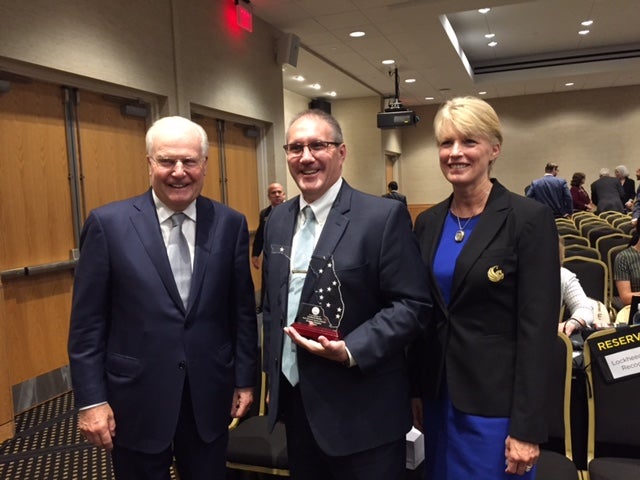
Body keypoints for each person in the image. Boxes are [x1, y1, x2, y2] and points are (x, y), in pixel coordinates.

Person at [67, 116, 258, 480]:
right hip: (135, 398)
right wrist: (91, 400)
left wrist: (245, 379)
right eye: (167, 161)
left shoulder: (230, 223)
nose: (179, 172)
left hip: (209, 393)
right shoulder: (109, 225)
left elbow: (242, 312)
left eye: (189, 161)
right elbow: (87, 325)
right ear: (150, 163)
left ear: (204, 165)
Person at [262, 109, 432, 479]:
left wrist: (353, 349)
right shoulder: (277, 220)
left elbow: (413, 305)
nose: (305, 157)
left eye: (317, 146)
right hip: (296, 405)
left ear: (341, 152)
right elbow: (273, 304)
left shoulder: (381, 218)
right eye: (295, 148)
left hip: (362, 412)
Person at [409, 96, 559, 479]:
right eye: (446, 143)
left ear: (494, 149)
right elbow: (422, 316)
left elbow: (537, 331)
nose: (455, 153)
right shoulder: (427, 222)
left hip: (496, 407)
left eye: (468, 142)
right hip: (437, 399)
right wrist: (415, 389)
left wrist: (527, 428)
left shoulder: (528, 219)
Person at [251, 182, 286, 270]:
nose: (277, 195)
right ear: (269, 197)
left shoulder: (293, 210)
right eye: (273, 193)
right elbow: (260, 235)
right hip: (270, 255)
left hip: (287, 254)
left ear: (284, 195)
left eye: (279, 192)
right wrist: (255, 254)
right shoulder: (264, 214)